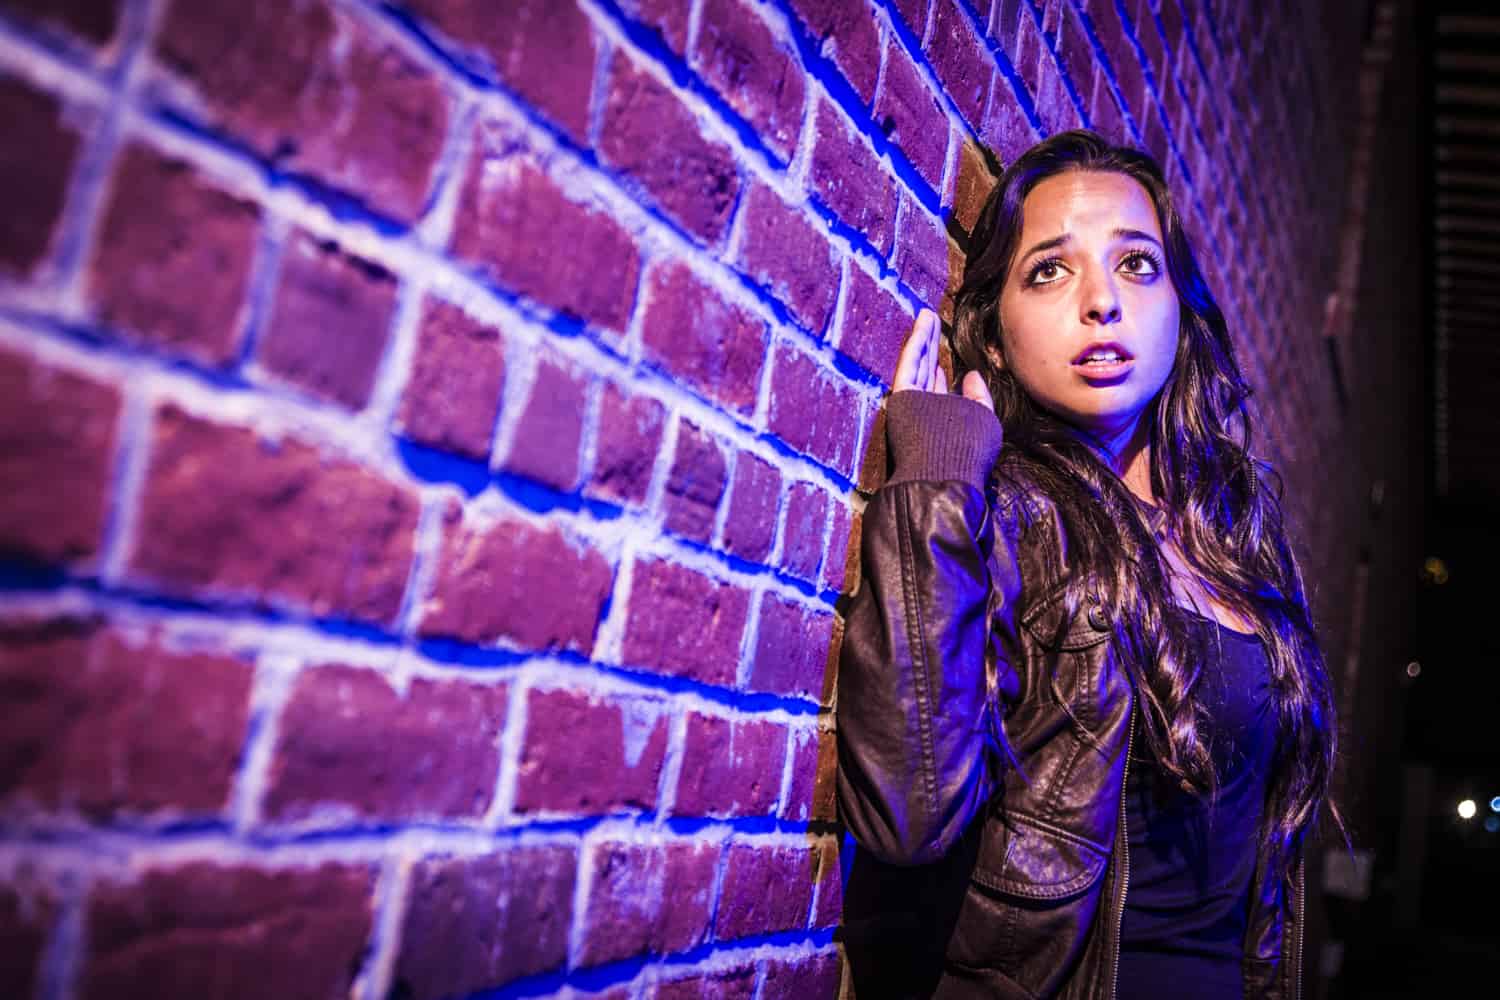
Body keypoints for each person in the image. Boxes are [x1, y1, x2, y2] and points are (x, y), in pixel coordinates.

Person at [836, 130, 1344, 999]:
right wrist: (933, 480)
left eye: (1138, 265)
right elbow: (908, 815)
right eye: (1049, 271)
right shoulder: (1009, 516)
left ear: (1181, 309)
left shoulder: (1234, 534)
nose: (1102, 301)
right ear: (993, 338)